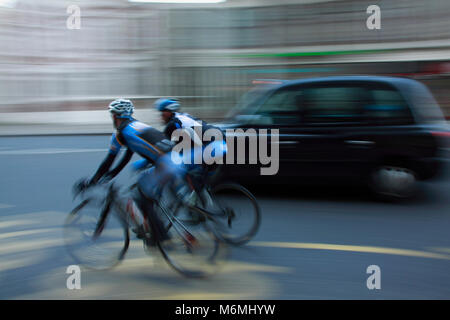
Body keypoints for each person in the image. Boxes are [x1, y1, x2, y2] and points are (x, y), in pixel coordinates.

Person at [75, 98, 181, 244]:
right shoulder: (135, 126)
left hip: (166, 165)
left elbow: (109, 161)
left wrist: (92, 181)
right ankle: (152, 226)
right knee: (144, 190)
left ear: (114, 116)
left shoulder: (121, 133)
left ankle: (161, 238)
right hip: (176, 160)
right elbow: (126, 157)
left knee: (140, 197)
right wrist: (110, 175)